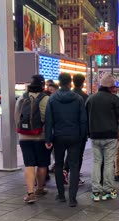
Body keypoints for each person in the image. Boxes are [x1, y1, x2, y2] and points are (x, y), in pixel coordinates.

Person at [45, 73, 86, 207]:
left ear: (59, 83)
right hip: (75, 136)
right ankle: (73, 198)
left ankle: (61, 194)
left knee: (58, 164)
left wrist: (48, 138)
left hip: (58, 137)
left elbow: (49, 121)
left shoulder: (52, 99)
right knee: (74, 166)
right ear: (70, 83)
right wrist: (83, 136)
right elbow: (83, 120)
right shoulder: (78, 99)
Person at [86, 73, 119, 202]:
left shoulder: (91, 99)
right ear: (110, 87)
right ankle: (108, 190)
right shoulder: (114, 99)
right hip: (110, 135)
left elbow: (86, 117)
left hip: (95, 135)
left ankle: (96, 191)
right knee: (108, 162)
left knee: (96, 162)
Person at [14, 75, 50, 204]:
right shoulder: (46, 99)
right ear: (42, 85)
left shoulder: (22, 98)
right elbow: (48, 119)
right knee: (42, 164)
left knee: (29, 164)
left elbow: (16, 118)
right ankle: (40, 188)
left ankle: (30, 193)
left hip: (24, 137)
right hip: (41, 136)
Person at [62, 73, 89, 186]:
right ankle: (75, 177)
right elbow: (86, 116)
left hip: (67, 130)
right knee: (79, 155)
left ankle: (65, 170)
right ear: (83, 83)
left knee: (70, 153)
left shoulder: (67, 95)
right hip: (80, 131)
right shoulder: (85, 97)